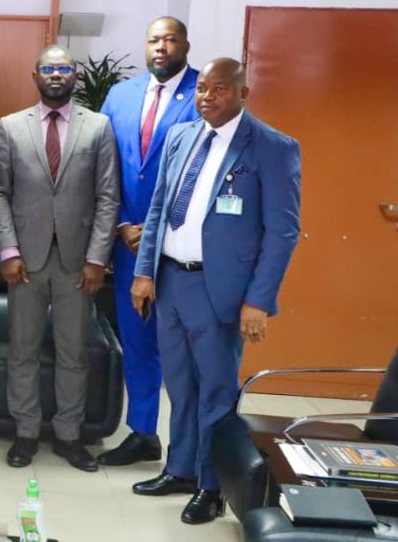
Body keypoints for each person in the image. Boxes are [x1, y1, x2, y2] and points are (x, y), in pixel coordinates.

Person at [130, 58, 301, 524]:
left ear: (243, 93)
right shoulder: (181, 135)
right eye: (202, 88)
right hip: (170, 281)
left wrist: (258, 301)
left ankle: (211, 485)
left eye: (219, 89)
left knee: (216, 392)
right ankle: (181, 469)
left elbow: (283, 232)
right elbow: (159, 208)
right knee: (179, 386)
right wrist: (144, 272)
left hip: (219, 290)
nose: (207, 97)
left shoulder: (272, 147)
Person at [0, 45, 120, 472]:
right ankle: (25, 433)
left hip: (77, 262)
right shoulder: (11, 126)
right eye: (48, 68)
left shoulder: (98, 127)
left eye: (63, 68)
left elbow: (108, 197)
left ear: (75, 74)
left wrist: (97, 258)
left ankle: (69, 436)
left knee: (73, 353)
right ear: (35, 76)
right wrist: (8, 250)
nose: (55, 75)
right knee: (22, 351)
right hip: (24, 261)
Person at [97, 17, 200, 466]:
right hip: (127, 243)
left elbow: (203, 174)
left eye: (170, 40)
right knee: (137, 340)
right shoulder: (121, 95)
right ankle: (143, 432)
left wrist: (157, 229)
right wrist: (121, 222)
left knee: (181, 350)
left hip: (179, 247)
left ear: (185, 45)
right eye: (154, 40)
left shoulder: (204, 92)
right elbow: (103, 164)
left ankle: (190, 447)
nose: (161, 47)